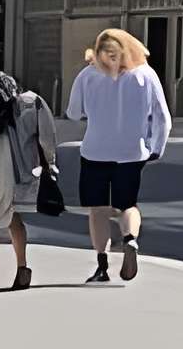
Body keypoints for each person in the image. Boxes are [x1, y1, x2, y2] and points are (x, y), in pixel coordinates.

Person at [69, 28, 171, 284]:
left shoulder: (87, 75)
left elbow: (73, 112)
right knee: (128, 205)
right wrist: (156, 147)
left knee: (98, 209)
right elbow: (163, 117)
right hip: (131, 151)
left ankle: (102, 265)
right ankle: (130, 239)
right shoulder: (145, 74)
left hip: (95, 151)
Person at [0, 69, 62, 291]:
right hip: (8, 175)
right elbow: (46, 137)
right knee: (13, 219)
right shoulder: (25, 105)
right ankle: (22, 267)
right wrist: (49, 163)